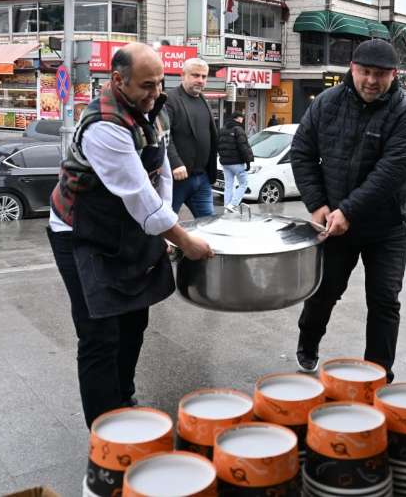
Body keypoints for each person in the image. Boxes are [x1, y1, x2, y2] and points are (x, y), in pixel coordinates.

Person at [48, 44, 214, 428]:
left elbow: (160, 172)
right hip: (81, 231)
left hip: (130, 226)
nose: (155, 93)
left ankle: (123, 398)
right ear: (117, 80)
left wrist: (169, 220)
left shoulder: (155, 111)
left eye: (159, 84)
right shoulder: (104, 126)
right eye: (146, 85)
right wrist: (184, 240)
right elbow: (139, 197)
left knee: (133, 321)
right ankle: (107, 431)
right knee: (99, 334)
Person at [291, 39, 406, 380]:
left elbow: (391, 172)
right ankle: (308, 343)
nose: (371, 80)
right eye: (365, 72)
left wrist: (348, 210)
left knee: (384, 299)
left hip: (388, 226)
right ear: (352, 69)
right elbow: (302, 153)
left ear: (394, 75)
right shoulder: (326, 103)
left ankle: (378, 372)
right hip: (334, 222)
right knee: (324, 292)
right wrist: (317, 204)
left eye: (380, 74)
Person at [166, 58, 219, 217]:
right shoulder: (170, 99)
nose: (200, 80)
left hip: (201, 178)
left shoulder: (204, 100)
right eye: (195, 75)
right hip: (177, 179)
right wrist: (175, 163)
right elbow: (163, 135)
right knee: (165, 225)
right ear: (183, 75)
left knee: (208, 225)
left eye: (204, 76)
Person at [219, 111, 254, 212]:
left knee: (228, 185)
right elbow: (244, 147)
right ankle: (233, 204)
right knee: (243, 183)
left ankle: (227, 207)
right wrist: (248, 162)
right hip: (237, 163)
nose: (242, 119)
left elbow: (218, 145)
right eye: (242, 117)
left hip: (225, 163)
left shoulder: (222, 129)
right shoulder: (238, 129)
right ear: (238, 118)